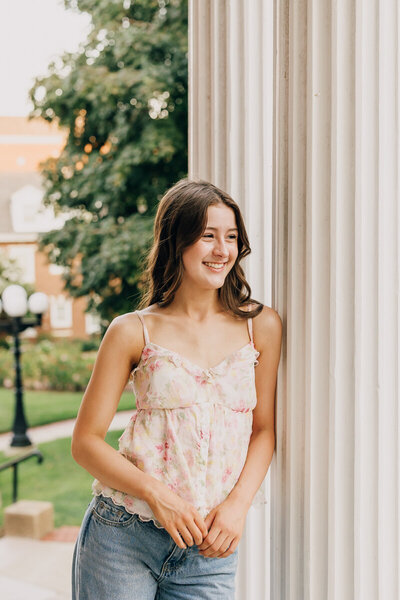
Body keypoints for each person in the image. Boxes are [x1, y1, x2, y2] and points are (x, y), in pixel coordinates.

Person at [71, 178, 282, 599]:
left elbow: (264, 430)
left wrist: (238, 506)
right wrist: (158, 495)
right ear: (177, 241)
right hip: (123, 535)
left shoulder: (261, 326)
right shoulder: (133, 330)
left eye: (231, 237)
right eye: (207, 236)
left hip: (209, 547)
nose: (222, 250)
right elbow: (85, 443)